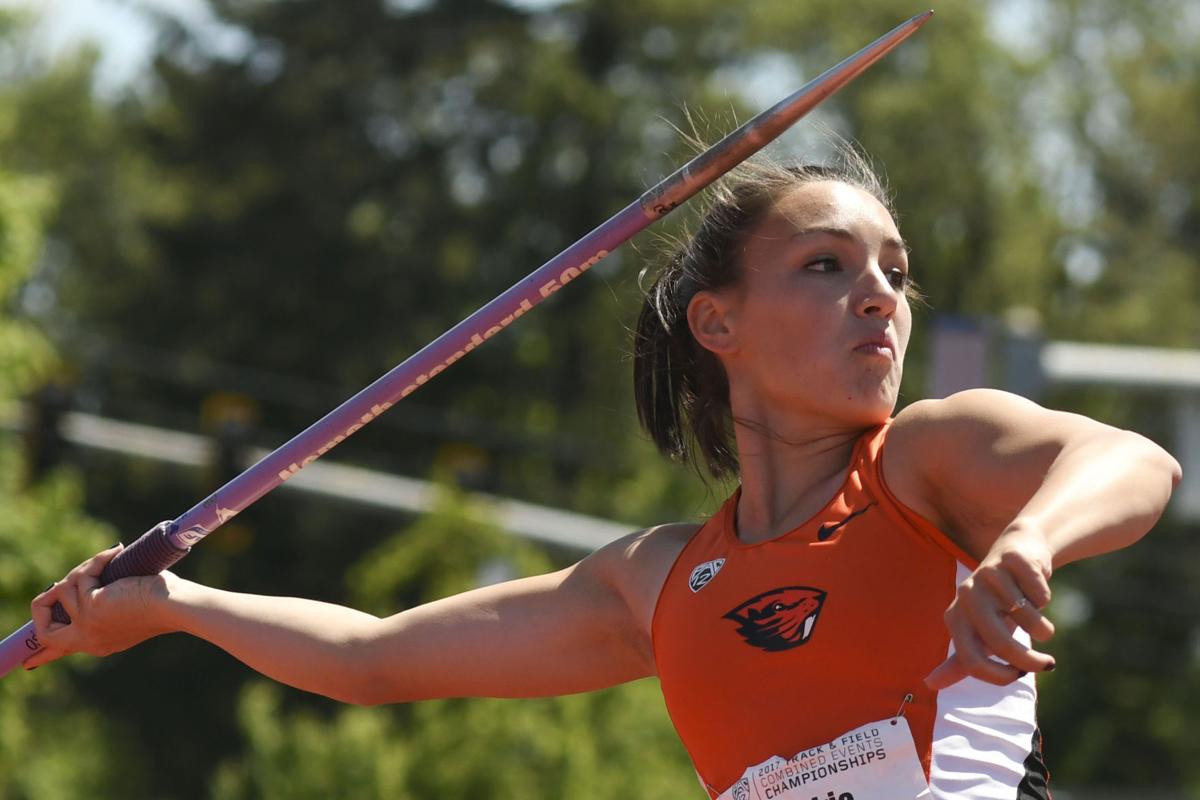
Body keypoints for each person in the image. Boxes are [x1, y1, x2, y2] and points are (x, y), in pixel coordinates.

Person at [25, 151, 1181, 800]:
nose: (880, 294)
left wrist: (1029, 537)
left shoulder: (925, 461)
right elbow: (373, 658)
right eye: (827, 265)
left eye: (894, 269)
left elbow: (1131, 459)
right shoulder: (659, 582)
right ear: (717, 322)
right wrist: (175, 605)